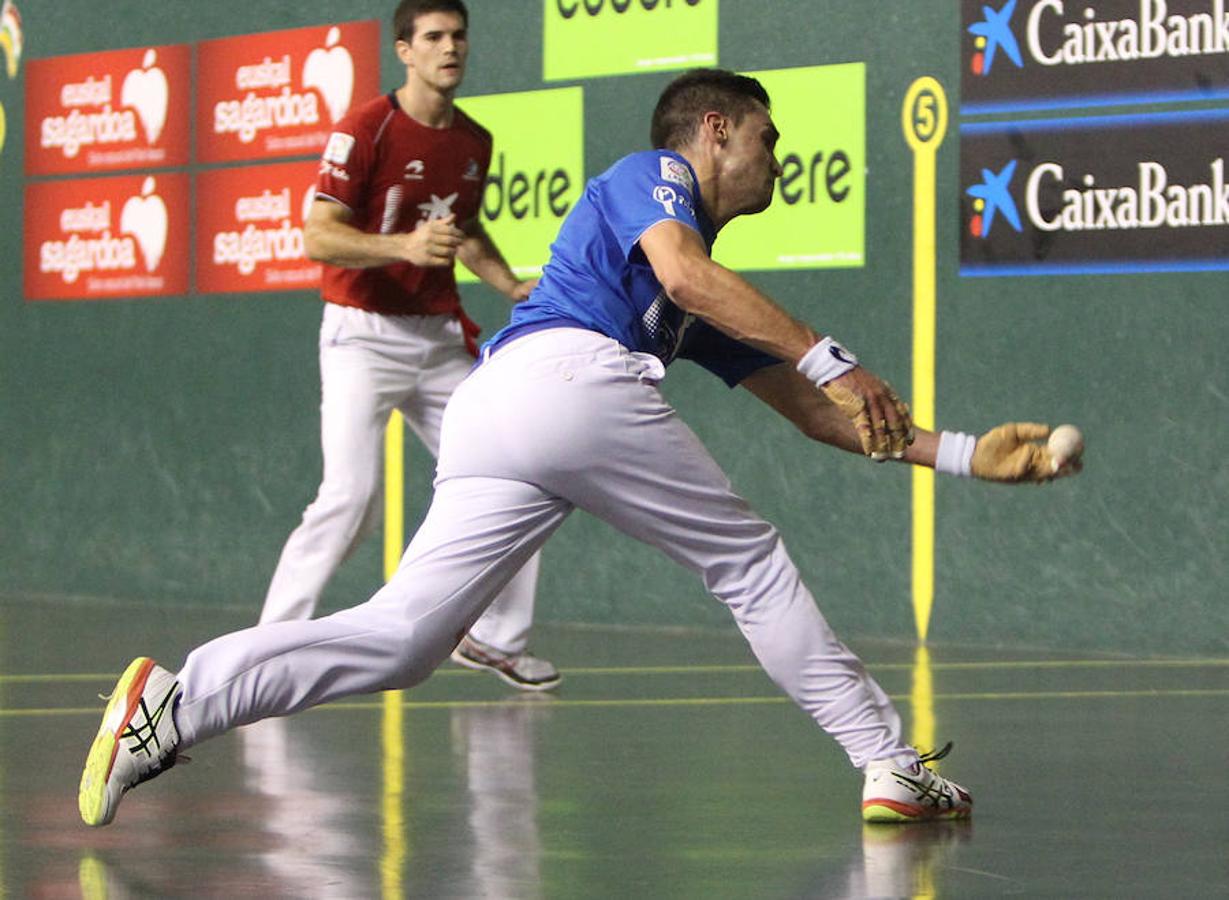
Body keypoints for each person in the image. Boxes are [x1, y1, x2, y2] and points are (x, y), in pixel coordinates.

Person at [79, 68, 1080, 829]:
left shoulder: (697, 286)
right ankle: (885, 761)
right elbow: (697, 287)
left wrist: (955, 454)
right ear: (715, 130)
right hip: (562, 381)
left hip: (497, 411)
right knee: (748, 563)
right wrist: (838, 358)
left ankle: (173, 702)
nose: (777, 156)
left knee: (404, 639)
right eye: (768, 138)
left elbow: (811, 412)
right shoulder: (649, 182)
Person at [263, 0, 558, 690]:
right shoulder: (366, 129)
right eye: (433, 37)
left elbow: (465, 230)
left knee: (521, 472)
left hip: (438, 339)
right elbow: (317, 235)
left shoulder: (474, 140)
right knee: (351, 498)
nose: (449, 48)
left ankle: (493, 640)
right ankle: (267, 651)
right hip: (361, 335)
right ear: (404, 49)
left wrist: (509, 284)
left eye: (458, 36)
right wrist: (401, 246)